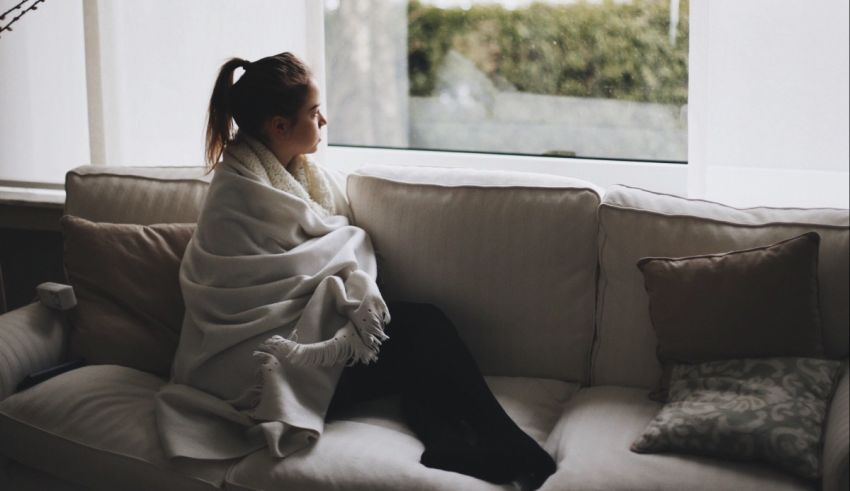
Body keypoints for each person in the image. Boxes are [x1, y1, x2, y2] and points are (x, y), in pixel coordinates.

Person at [156, 52, 556, 489]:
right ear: (279, 126)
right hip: (257, 371)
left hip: (300, 342)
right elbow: (266, 284)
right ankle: (511, 448)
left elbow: (315, 255)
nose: (324, 120)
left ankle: (456, 444)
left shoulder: (295, 177)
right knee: (425, 329)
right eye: (313, 112)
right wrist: (344, 270)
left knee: (418, 343)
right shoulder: (240, 195)